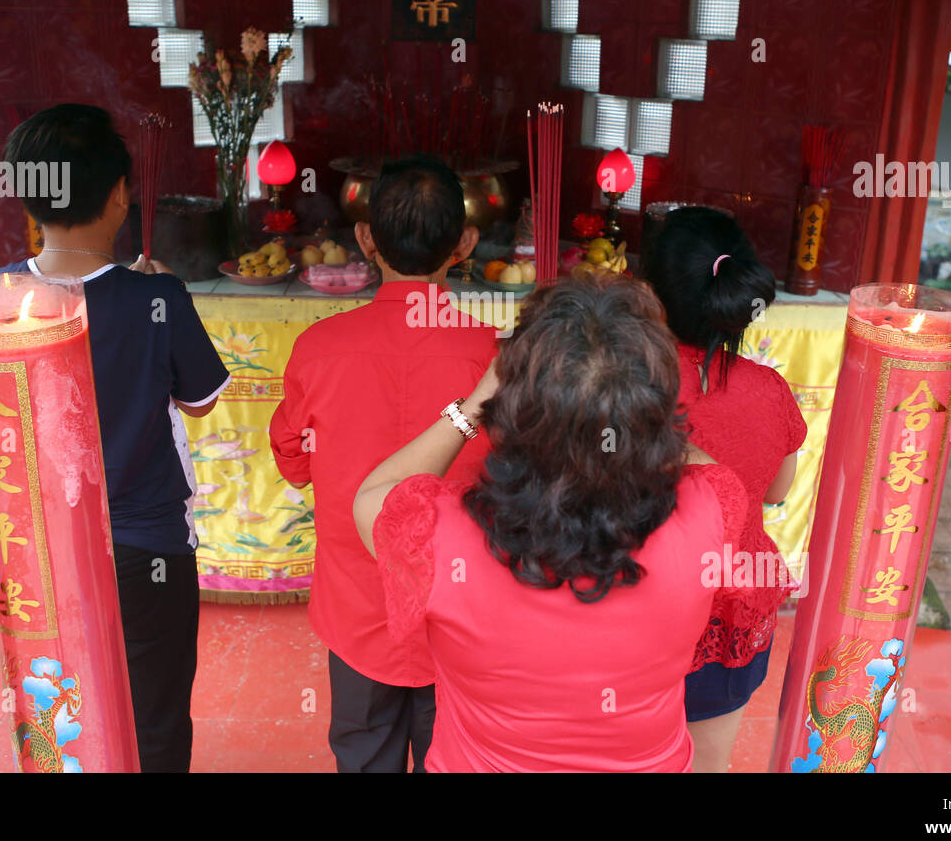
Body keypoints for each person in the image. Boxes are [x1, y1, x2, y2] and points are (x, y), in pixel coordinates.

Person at [351, 274, 750, 772]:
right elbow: (702, 466)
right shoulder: (711, 510)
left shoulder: (436, 535)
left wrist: (474, 407)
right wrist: (636, 415)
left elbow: (370, 496)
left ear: (511, 406)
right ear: (654, 410)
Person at [0, 104, 230, 772]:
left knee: (52, 707)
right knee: (153, 707)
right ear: (119, 194)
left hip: (39, 548)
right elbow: (201, 402)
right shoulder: (157, 298)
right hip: (144, 546)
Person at [269, 155, 496, 772]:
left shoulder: (320, 349)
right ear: (465, 242)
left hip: (357, 604)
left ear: (365, 240)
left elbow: (293, 462)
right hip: (459, 610)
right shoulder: (493, 359)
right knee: (454, 757)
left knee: (364, 754)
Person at [645, 205, 806, 773]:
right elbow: (777, 493)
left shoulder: (624, 385)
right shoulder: (770, 391)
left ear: (650, 295)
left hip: (634, 601)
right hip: (732, 604)